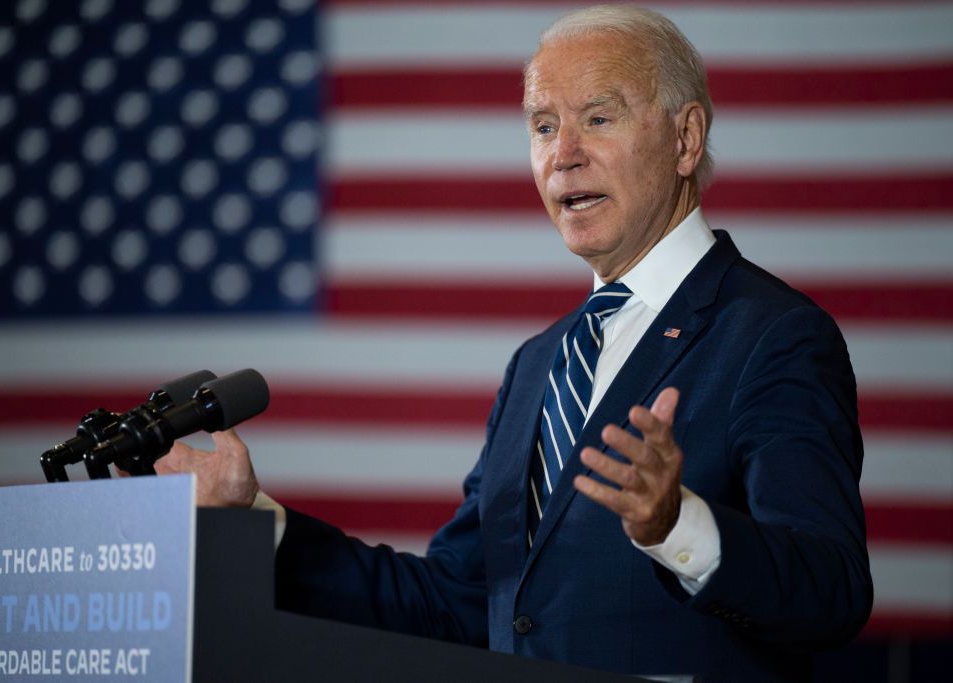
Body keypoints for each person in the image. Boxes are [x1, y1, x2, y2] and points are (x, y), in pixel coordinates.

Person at [156, 5, 872, 681]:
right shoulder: (538, 364)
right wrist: (255, 522)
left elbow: (832, 591)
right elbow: (461, 600)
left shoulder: (773, 335)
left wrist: (676, 523)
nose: (564, 155)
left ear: (685, 138)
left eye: (598, 117)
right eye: (541, 126)